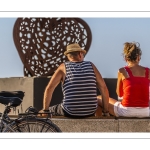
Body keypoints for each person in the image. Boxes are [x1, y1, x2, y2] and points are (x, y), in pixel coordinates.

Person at [39, 43, 109, 117]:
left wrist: (45, 110)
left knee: (41, 112)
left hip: (70, 111)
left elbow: (49, 88)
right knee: (97, 104)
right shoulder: (91, 65)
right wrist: (105, 111)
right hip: (91, 111)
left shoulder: (63, 67)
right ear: (80, 54)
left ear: (68, 56)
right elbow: (103, 88)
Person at [98, 42, 150, 118]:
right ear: (138, 57)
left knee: (99, 98)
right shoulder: (148, 71)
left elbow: (119, 94)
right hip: (145, 112)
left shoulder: (122, 71)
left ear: (125, 58)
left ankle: (102, 125)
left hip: (126, 111)